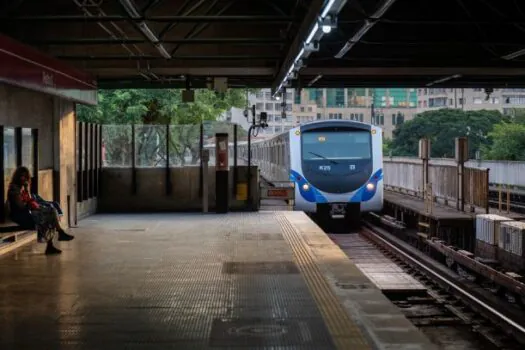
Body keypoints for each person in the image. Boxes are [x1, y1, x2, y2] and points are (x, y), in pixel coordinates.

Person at [7, 166, 74, 255]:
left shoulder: (23, 188)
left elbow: (29, 200)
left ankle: (51, 244)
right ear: (17, 176)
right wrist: (33, 206)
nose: (23, 178)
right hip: (20, 216)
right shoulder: (14, 189)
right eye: (21, 176)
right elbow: (21, 206)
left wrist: (27, 191)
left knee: (51, 213)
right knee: (50, 214)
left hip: (27, 213)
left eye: (25, 176)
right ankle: (58, 236)